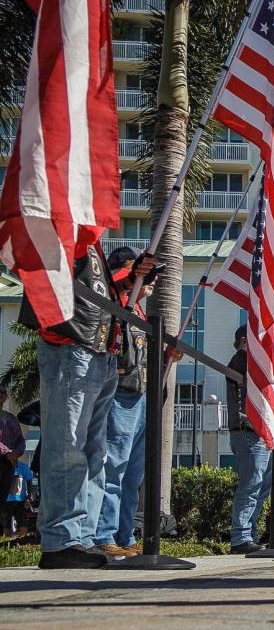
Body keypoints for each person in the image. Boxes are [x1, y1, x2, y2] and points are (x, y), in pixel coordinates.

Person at [22, 243, 157, 569]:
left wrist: (129, 280)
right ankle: (62, 539)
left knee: (94, 453)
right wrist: (126, 277)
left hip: (101, 350)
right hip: (71, 344)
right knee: (69, 445)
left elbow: (101, 289)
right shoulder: (65, 225)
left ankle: (84, 538)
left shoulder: (89, 240)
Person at [93, 247, 154, 558]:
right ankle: (103, 533)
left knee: (133, 474)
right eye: (139, 273)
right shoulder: (118, 302)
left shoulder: (140, 311)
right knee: (114, 466)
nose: (149, 282)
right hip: (121, 392)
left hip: (142, 395)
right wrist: (133, 278)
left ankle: (124, 534)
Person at [226, 326, 269, 554]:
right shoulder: (240, 361)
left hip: (259, 432)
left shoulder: (252, 363)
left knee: (260, 487)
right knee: (250, 485)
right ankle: (240, 537)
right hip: (247, 431)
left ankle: (248, 533)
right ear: (244, 341)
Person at [0, 382, 24, 524]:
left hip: (9, 462)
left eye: (3, 394)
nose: (1, 397)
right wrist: (9, 452)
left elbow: (20, 439)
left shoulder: (10, 418)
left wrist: (16, 453)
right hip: (6, 457)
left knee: (3, 495)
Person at [5, 457, 34, 537]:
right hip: (5, 501)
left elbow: (29, 480)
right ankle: (6, 543)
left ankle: (22, 541)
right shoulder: (3, 466)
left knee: (23, 522)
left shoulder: (23, 466)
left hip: (20, 500)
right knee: (6, 523)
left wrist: (28, 496)